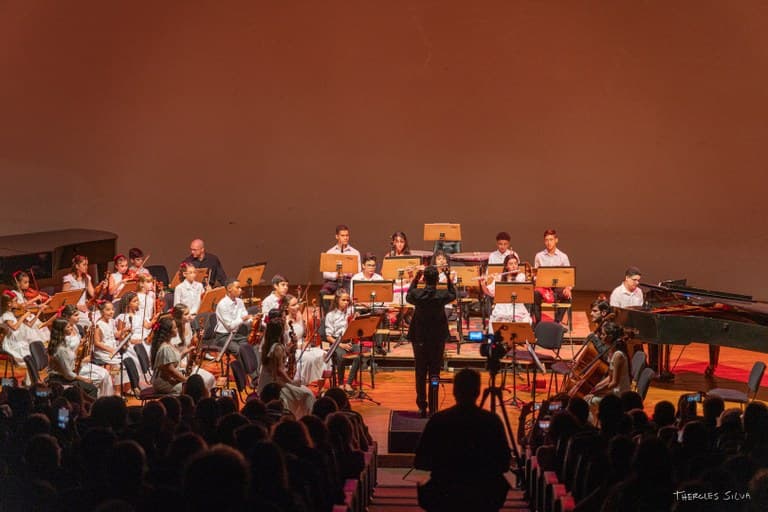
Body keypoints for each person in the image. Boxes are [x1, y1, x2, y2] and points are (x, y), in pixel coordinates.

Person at [415, 368, 511, 511]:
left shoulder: (438, 420)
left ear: (454, 391)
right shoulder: (492, 421)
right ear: (478, 392)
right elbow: (505, 464)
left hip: (444, 494)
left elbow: (420, 462)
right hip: (484, 497)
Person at [406, 266, 457, 417]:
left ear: (424, 279)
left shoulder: (417, 293)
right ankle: (434, 406)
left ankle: (422, 406)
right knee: (435, 373)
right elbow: (453, 294)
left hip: (420, 337)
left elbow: (408, 295)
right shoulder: (441, 295)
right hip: (437, 338)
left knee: (420, 373)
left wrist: (415, 278)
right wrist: (448, 277)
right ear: (437, 280)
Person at [258, 316, 316, 418]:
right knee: (308, 394)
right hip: (274, 385)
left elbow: (279, 356)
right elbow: (279, 370)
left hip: (266, 383)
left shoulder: (268, 344)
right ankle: (307, 418)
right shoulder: (277, 348)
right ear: (280, 332)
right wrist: (292, 382)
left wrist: (290, 346)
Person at [59, 305, 114, 396]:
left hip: (81, 362)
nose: (78, 317)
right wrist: (81, 359)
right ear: (67, 317)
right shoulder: (63, 332)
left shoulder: (76, 327)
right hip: (72, 367)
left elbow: (82, 346)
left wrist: (86, 353)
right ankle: (89, 398)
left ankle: (104, 401)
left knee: (105, 374)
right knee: (101, 377)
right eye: (76, 315)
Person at [47, 318, 99, 399]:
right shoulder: (61, 349)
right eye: (68, 327)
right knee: (92, 388)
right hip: (60, 380)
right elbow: (68, 374)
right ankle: (88, 409)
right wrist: (84, 379)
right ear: (61, 330)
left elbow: (72, 356)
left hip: (66, 376)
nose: (71, 328)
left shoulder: (64, 342)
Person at [214, 279, 258, 372]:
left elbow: (245, 318)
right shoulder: (222, 305)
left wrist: (252, 320)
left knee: (249, 348)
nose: (240, 290)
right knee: (239, 351)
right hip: (224, 336)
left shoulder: (240, 301)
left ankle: (255, 375)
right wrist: (243, 319)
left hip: (237, 334)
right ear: (229, 289)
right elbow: (230, 326)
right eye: (237, 287)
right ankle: (249, 377)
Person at [170, 304, 216, 390]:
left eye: (189, 313)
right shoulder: (173, 332)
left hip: (188, 364)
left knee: (211, 378)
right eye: (186, 314)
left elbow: (190, 344)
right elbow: (172, 357)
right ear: (179, 316)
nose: (190, 316)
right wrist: (184, 364)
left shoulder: (188, 325)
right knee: (204, 382)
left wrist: (198, 337)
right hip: (178, 366)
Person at [285, 294, 327, 388]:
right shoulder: (285, 322)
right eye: (293, 305)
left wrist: (313, 319)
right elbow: (285, 344)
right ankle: (303, 387)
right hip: (292, 351)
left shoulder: (299, 316)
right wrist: (299, 346)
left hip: (304, 347)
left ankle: (320, 390)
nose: (297, 306)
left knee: (324, 354)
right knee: (311, 359)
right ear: (286, 307)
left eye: (297, 304)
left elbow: (306, 334)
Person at [585, 322, 631, 406]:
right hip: (613, 391)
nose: (600, 336)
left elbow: (614, 383)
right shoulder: (611, 351)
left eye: (603, 334)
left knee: (588, 401)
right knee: (587, 396)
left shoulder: (618, 355)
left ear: (609, 337)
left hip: (619, 395)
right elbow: (610, 377)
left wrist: (596, 392)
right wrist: (595, 388)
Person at [532, 229, 572, 325]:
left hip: (558, 286)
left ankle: (557, 321)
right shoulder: (539, 256)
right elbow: (535, 275)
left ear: (556, 240)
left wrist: (568, 288)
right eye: (546, 240)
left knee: (566, 295)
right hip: (543, 287)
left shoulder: (563, 256)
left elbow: (569, 276)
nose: (548, 242)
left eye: (551, 239)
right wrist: (536, 279)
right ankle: (538, 322)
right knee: (535, 294)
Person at [481, 253, 532, 325]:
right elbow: (490, 293)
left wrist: (499, 282)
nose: (514, 266)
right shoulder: (500, 277)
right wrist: (483, 284)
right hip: (502, 307)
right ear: (506, 266)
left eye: (515, 263)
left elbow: (515, 285)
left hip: (517, 305)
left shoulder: (521, 276)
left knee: (525, 321)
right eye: (511, 264)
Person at [324, 289, 357, 393]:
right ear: (337, 300)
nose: (346, 302)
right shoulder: (331, 315)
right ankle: (341, 383)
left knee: (361, 353)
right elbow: (329, 337)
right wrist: (341, 345)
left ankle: (349, 383)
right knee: (341, 356)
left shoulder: (350, 312)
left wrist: (355, 320)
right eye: (343, 300)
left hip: (349, 341)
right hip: (336, 342)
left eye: (348, 300)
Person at [319, 224, 361, 301]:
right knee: (323, 292)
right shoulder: (330, 252)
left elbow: (358, 272)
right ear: (337, 236)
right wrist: (336, 275)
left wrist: (348, 273)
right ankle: (329, 313)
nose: (345, 238)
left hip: (348, 282)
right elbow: (325, 274)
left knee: (348, 294)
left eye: (347, 235)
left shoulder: (355, 253)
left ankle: (347, 312)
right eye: (342, 235)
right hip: (334, 282)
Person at [150, 316, 187, 395]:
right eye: (175, 328)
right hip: (164, 383)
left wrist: (186, 351)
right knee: (191, 388)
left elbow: (173, 360)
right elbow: (171, 371)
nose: (177, 329)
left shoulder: (169, 344)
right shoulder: (165, 348)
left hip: (170, 379)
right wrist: (186, 380)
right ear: (168, 332)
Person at [62, 255, 96, 323]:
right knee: (89, 322)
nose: (86, 267)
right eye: (84, 265)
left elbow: (93, 294)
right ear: (77, 266)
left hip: (84, 309)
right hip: (74, 310)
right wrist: (78, 306)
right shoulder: (69, 279)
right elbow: (63, 299)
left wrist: (102, 287)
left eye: (87, 265)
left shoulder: (87, 278)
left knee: (97, 319)